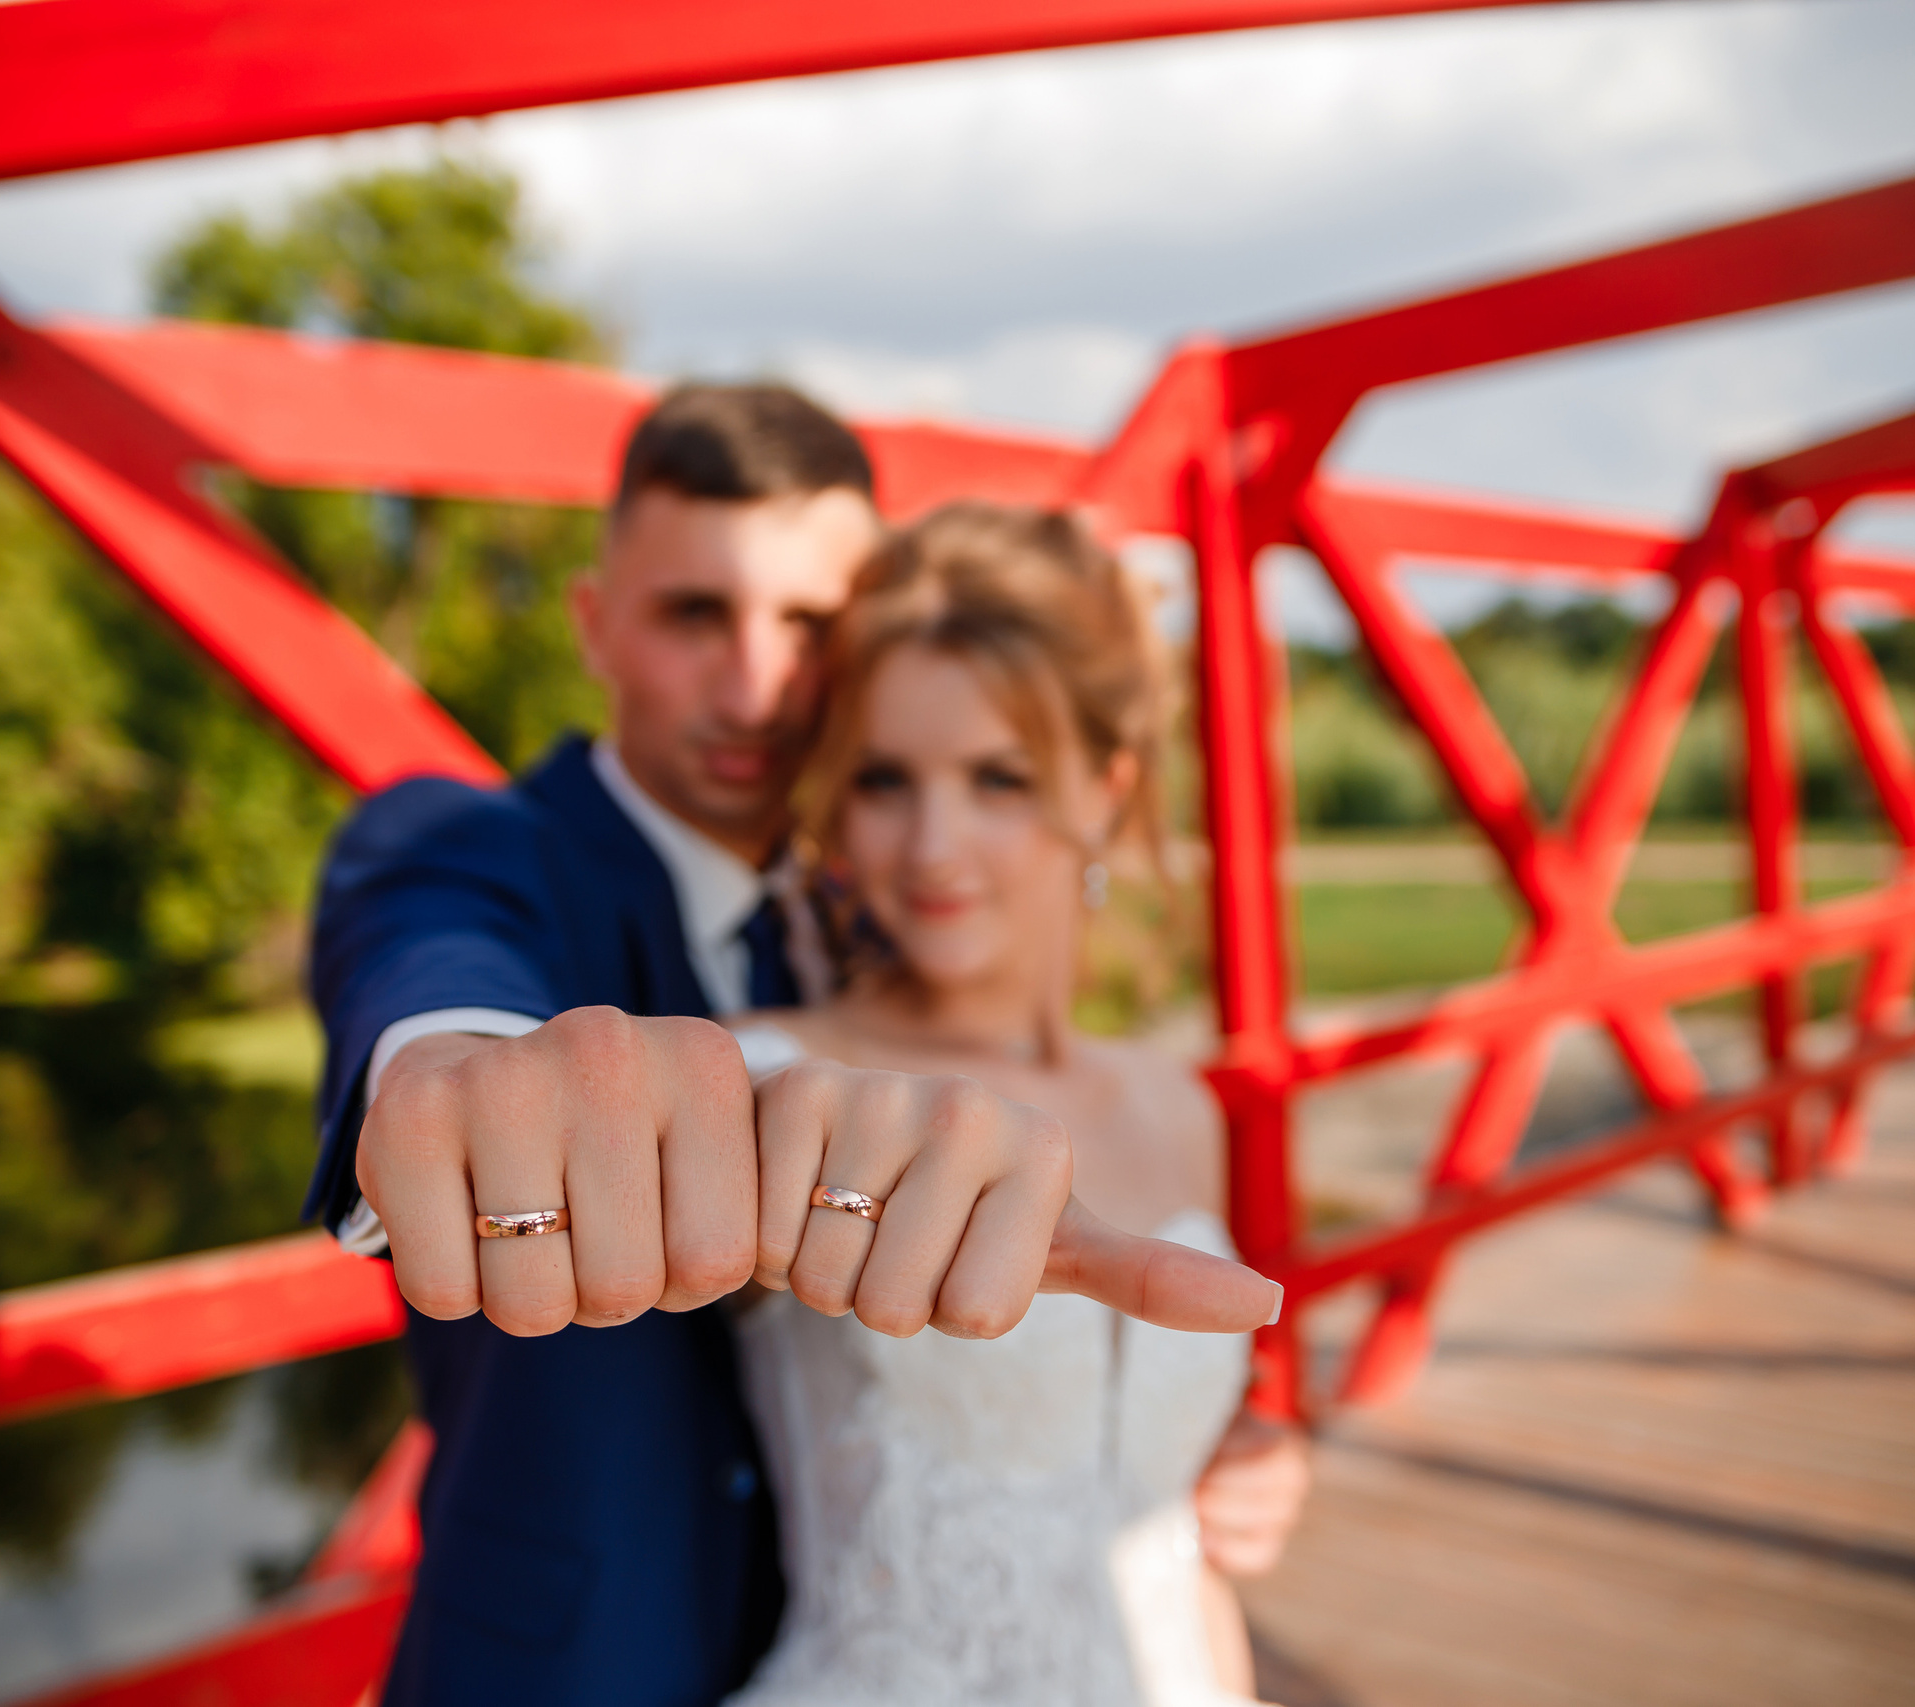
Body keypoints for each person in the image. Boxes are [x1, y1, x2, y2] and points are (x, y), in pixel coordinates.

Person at [304, 385, 1294, 1707]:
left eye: (809, 625)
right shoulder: (464, 849)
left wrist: (1230, 1448)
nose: (758, 683)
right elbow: (438, 970)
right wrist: (463, 1075)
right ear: (596, 623)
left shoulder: (851, 920)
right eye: (693, 613)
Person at [722, 501, 1292, 1707]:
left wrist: (1248, 1465)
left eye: (998, 779)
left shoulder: (1176, 1103)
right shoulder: (775, 1076)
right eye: (883, 780)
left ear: (1104, 788)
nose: (933, 845)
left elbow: (1154, 1485)